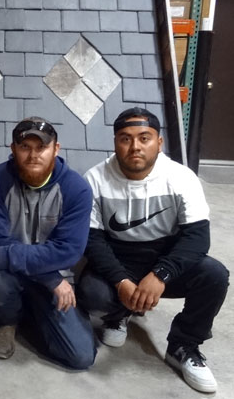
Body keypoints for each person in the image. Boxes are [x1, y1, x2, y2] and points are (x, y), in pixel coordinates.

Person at [77, 107, 229, 393]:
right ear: (115, 143)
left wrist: (161, 275)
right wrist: (121, 281)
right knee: (91, 293)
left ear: (159, 142)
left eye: (144, 138)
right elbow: (91, 239)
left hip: (163, 257)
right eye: (125, 138)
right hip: (119, 258)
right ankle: (118, 313)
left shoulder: (181, 177)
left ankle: (184, 345)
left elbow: (197, 238)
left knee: (214, 275)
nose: (135, 146)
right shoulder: (95, 178)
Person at [0, 117, 96, 370]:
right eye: (25, 147)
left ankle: (37, 315)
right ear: (13, 148)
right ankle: (7, 320)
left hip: (55, 280)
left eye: (41, 147)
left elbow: (68, 251)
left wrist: (5, 256)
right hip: (15, 277)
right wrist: (50, 278)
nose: (33, 155)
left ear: (56, 149)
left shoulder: (76, 189)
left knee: (81, 356)